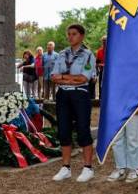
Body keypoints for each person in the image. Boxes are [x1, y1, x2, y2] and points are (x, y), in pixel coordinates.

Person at [51, 24, 98, 183]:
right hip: (63, 95)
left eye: (74, 34)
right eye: (69, 34)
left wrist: (63, 77)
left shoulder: (88, 55)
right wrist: (70, 78)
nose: (70, 37)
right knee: (64, 130)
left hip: (80, 95)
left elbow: (84, 78)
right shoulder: (62, 54)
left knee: (83, 130)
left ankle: (88, 168)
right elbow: (53, 76)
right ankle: (66, 167)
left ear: (82, 36)